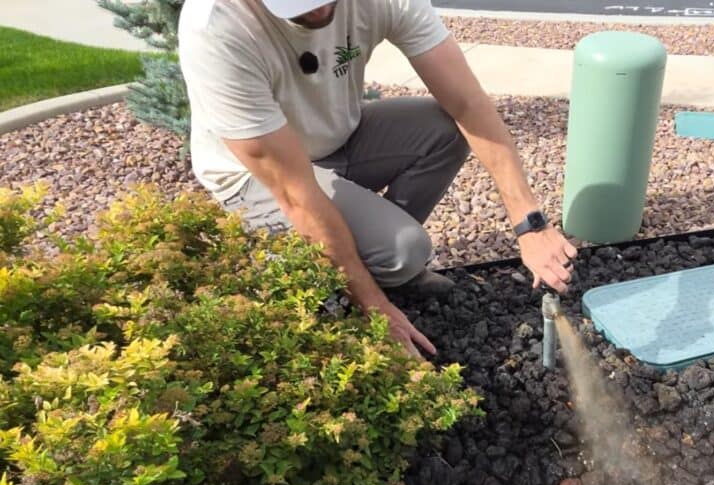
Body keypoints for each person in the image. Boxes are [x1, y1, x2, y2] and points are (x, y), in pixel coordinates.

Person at [177, 0, 577, 358]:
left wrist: (530, 223)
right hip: (255, 176)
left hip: (340, 138)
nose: (318, 11)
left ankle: (370, 253)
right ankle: (345, 273)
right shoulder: (216, 27)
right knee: (404, 250)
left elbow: (467, 102)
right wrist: (373, 305)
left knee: (445, 129)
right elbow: (296, 193)